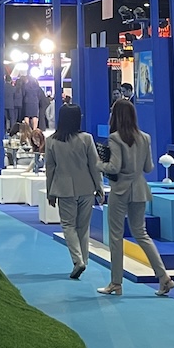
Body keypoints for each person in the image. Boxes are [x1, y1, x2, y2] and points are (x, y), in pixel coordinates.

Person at [97, 98, 174, 298]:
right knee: (142, 234)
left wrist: (98, 164)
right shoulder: (145, 138)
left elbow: (114, 167)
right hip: (139, 189)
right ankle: (163, 276)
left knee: (116, 236)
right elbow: (149, 167)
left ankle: (116, 283)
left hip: (120, 190)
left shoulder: (114, 138)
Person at [46, 103, 104, 279]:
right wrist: (99, 187)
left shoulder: (52, 141)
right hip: (86, 187)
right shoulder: (87, 139)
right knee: (83, 227)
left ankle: (78, 260)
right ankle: (83, 260)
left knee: (68, 226)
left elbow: (50, 169)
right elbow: (94, 165)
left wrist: (50, 192)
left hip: (64, 189)